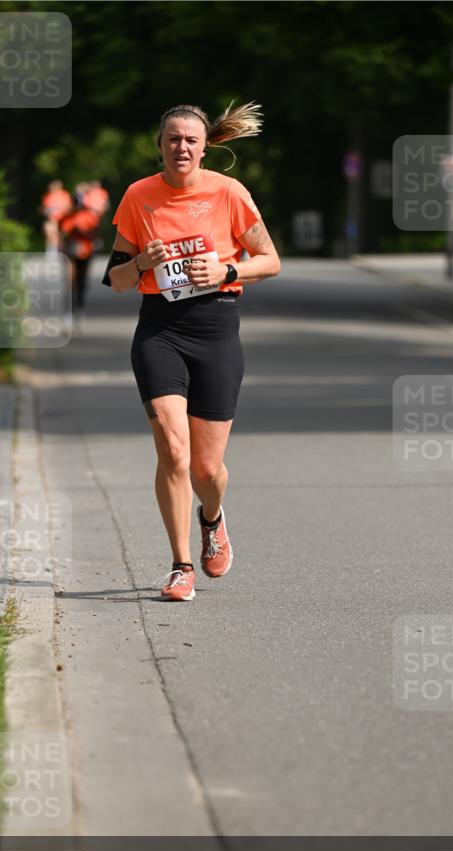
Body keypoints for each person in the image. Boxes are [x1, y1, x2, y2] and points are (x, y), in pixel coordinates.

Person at [103, 102, 281, 601]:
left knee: (206, 469)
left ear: (205, 148)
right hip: (159, 331)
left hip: (216, 331)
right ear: (159, 144)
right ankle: (181, 566)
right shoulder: (140, 196)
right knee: (172, 450)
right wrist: (141, 259)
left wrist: (227, 271)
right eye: (173, 139)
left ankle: (212, 516)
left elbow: (270, 261)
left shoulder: (229, 193)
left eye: (190, 140)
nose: (181, 147)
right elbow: (115, 280)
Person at [58, 183, 101, 327]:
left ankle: (80, 308)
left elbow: (95, 234)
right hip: (70, 252)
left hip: (86, 251)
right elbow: (62, 233)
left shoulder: (90, 215)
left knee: (82, 282)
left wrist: (81, 232)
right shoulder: (67, 216)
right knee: (70, 282)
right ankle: (68, 313)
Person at [40, 180, 72, 252]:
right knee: (50, 234)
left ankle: (58, 252)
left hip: (62, 219)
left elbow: (68, 208)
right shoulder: (48, 195)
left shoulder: (64, 195)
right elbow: (43, 208)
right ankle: (51, 252)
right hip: (51, 219)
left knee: (60, 237)